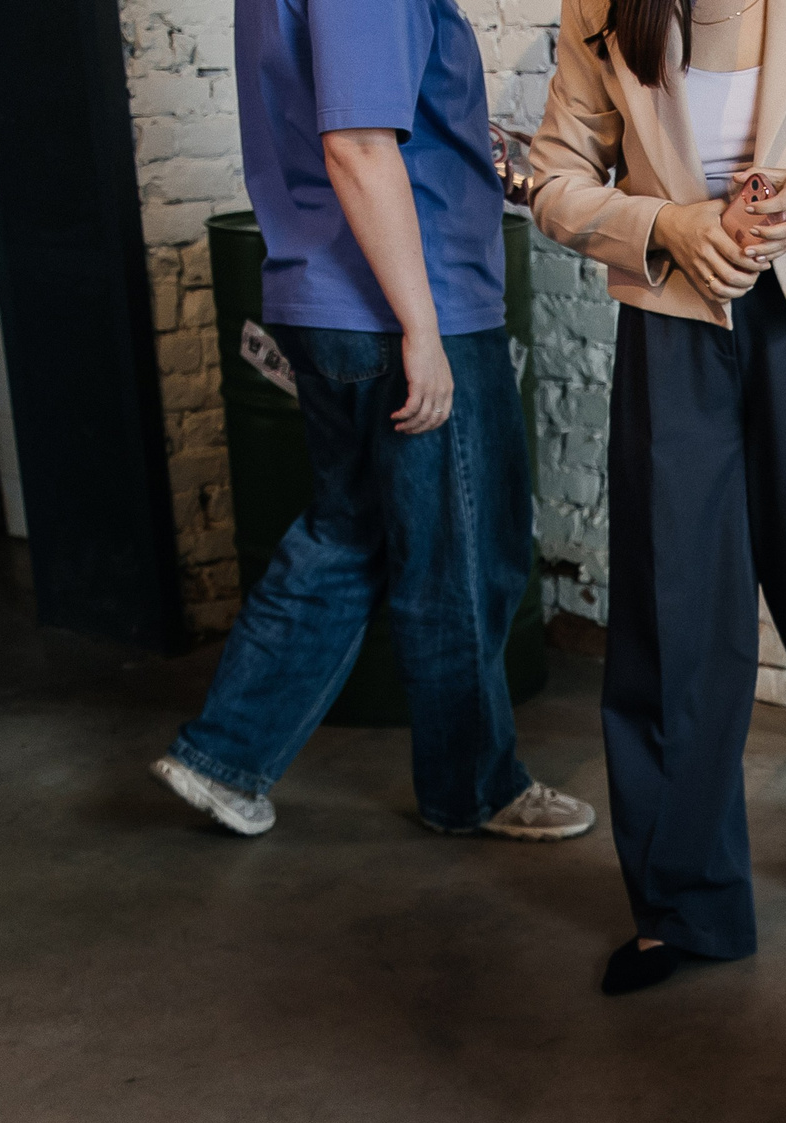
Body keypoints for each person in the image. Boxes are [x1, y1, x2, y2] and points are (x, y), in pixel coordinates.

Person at [528, 0, 786, 994]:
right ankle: (685, 908)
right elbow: (551, 179)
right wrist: (662, 223)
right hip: (675, 330)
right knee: (675, 625)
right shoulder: (602, 8)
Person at [151, 0, 594, 844]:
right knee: (457, 558)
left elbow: (360, 111)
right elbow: (354, 143)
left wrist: (458, 138)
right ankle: (475, 789)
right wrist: (419, 329)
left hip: (334, 292)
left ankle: (222, 754)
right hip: (402, 308)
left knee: (348, 533)